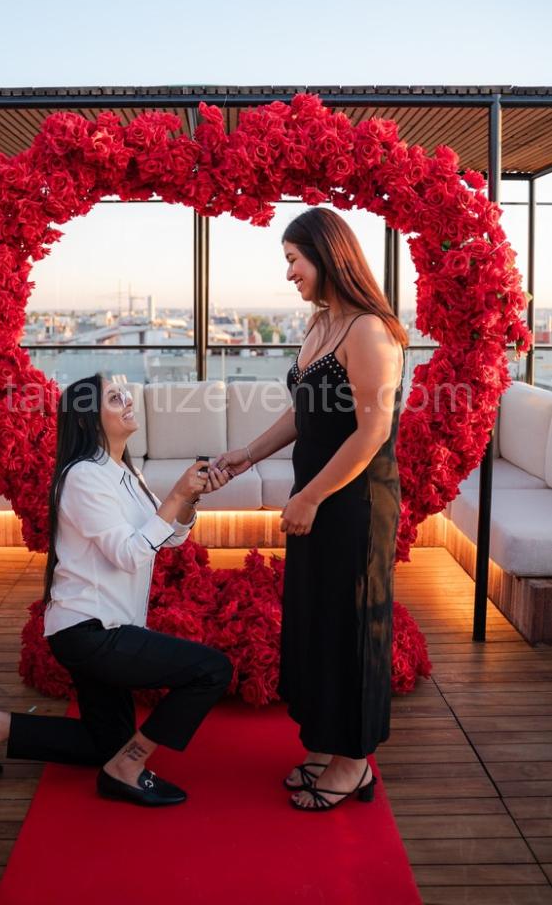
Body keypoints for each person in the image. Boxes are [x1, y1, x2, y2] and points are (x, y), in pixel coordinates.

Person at [0, 374, 233, 807]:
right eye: (114, 397)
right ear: (89, 419)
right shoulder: (84, 478)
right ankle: (129, 767)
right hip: (91, 631)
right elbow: (129, 554)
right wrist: (176, 493)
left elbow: (168, 539)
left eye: (125, 394)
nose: (128, 401)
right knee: (211, 670)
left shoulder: (124, 471)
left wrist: (189, 499)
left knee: (105, 742)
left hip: (103, 626)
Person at [214, 207, 406, 813]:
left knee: (352, 623)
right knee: (318, 619)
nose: (289, 273)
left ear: (328, 257)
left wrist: (310, 496)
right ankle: (327, 744)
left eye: (294, 260)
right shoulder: (323, 324)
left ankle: (355, 764)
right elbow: (304, 413)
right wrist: (246, 454)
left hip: (353, 504)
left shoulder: (370, 331)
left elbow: (372, 432)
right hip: (317, 500)